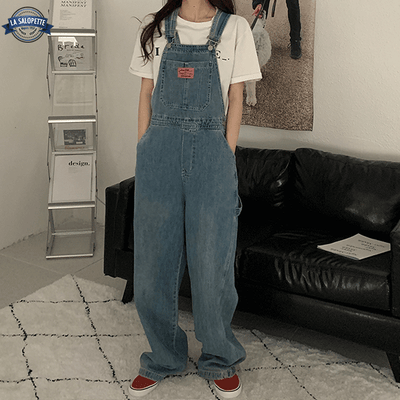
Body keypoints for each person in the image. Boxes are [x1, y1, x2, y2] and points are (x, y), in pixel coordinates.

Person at [128, 0, 261, 398]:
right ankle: (163, 356)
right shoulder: (155, 28)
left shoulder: (235, 28)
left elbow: (236, 97)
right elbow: (146, 93)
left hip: (212, 155)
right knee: (152, 263)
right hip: (158, 155)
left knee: (211, 263)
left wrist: (225, 155)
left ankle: (219, 358)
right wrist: (144, 149)